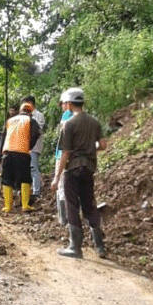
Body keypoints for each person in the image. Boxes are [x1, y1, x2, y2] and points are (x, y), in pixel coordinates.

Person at [51, 87, 107, 259]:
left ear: (69, 104)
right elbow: (103, 145)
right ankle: (100, 247)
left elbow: (65, 153)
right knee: (89, 204)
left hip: (73, 169)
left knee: (72, 206)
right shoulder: (95, 122)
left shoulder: (69, 124)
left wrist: (56, 177)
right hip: (89, 168)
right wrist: (90, 149)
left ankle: (75, 247)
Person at [0, 102, 41, 213]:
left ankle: (8, 207)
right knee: (25, 179)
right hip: (22, 153)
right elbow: (37, 133)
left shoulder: (10, 121)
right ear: (31, 112)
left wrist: (0, 153)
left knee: (6, 179)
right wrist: (29, 145)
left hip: (7, 152)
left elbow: (3, 136)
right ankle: (25, 205)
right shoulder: (31, 121)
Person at [55, 91, 74, 226]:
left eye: (62, 103)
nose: (61, 106)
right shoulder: (80, 116)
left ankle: (63, 219)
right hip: (75, 156)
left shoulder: (67, 115)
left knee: (61, 185)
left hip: (63, 154)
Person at [21, 96, 45, 202]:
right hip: (24, 146)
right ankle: (26, 191)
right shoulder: (24, 115)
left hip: (34, 146)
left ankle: (36, 191)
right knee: (26, 169)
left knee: (34, 168)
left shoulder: (38, 115)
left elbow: (37, 131)